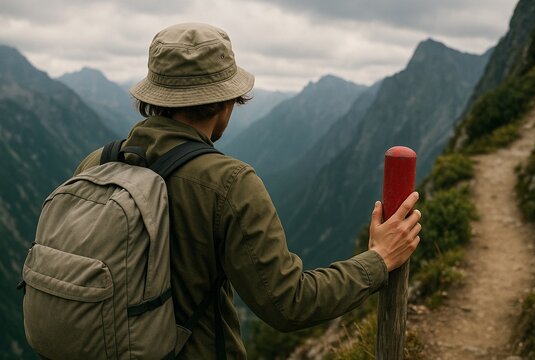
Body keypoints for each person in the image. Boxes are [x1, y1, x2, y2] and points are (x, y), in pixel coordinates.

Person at [75, 23, 421, 359]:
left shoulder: (96, 163)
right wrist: (378, 259)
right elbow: (289, 303)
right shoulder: (229, 183)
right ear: (226, 101)